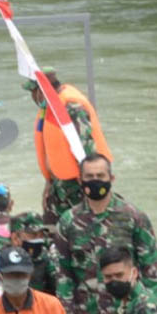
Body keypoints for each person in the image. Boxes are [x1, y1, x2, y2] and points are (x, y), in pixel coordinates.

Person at [53, 152, 157, 314]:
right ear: (80, 180)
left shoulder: (133, 218)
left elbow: (152, 271)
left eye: (100, 177)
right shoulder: (68, 222)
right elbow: (62, 273)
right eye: (89, 177)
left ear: (111, 179)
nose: (95, 182)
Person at [24, 69, 112, 225]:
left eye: (33, 91)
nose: (32, 96)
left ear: (42, 90)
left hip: (77, 186)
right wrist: (49, 183)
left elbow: (87, 147)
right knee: (52, 232)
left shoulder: (71, 106)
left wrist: (89, 185)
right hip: (59, 186)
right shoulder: (50, 106)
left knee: (82, 229)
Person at [8, 211, 56, 294]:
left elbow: (58, 285)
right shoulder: (1, 260)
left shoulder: (44, 257)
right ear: (15, 238)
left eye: (41, 235)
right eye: (33, 235)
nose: (39, 239)